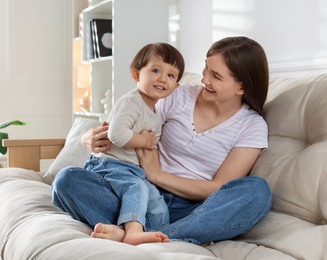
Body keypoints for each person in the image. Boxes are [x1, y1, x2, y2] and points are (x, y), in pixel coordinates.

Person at [52, 36, 273, 245]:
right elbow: (128, 120)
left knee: (258, 192)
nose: (205, 79)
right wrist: (86, 138)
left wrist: (157, 174)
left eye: (216, 76)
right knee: (67, 180)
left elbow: (217, 188)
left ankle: (141, 233)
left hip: (191, 208)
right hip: (139, 193)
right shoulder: (177, 94)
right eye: (206, 68)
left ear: (241, 87)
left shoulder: (252, 126)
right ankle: (142, 231)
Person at [53, 43, 185, 245]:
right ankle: (132, 232)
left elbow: (151, 150)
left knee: (157, 203)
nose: (162, 78)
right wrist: (143, 140)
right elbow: (117, 134)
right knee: (135, 188)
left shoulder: (156, 113)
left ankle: (154, 234)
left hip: (135, 171)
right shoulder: (132, 102)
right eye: (156, 70)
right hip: (111, 166)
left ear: (175, 86)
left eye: (170, 75)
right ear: (136, 74)